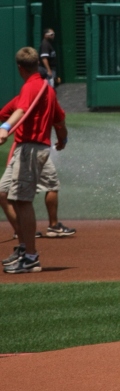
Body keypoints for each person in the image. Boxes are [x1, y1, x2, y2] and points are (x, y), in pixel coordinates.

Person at [0, 47, 68, 274]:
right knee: (3, 192)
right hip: (30, 148)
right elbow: (59, 118)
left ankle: (30, 256)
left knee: (22, 200)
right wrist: (62, 138)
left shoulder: (31, 86)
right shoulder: (45, 89)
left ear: (20, 68)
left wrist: (5, 128)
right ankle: (24, 245)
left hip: (30, 148)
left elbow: (19, 110)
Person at [0, 96, 75, 241]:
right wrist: (62, 140)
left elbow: (4, 114)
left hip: (22, 148)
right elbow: (60, 122)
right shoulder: (48, 98)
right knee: (51, 185)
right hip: (34, 148)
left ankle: (20, 230)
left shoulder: (21, 98)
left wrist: (16, 125)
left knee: (3, 192)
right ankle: (52, 227)